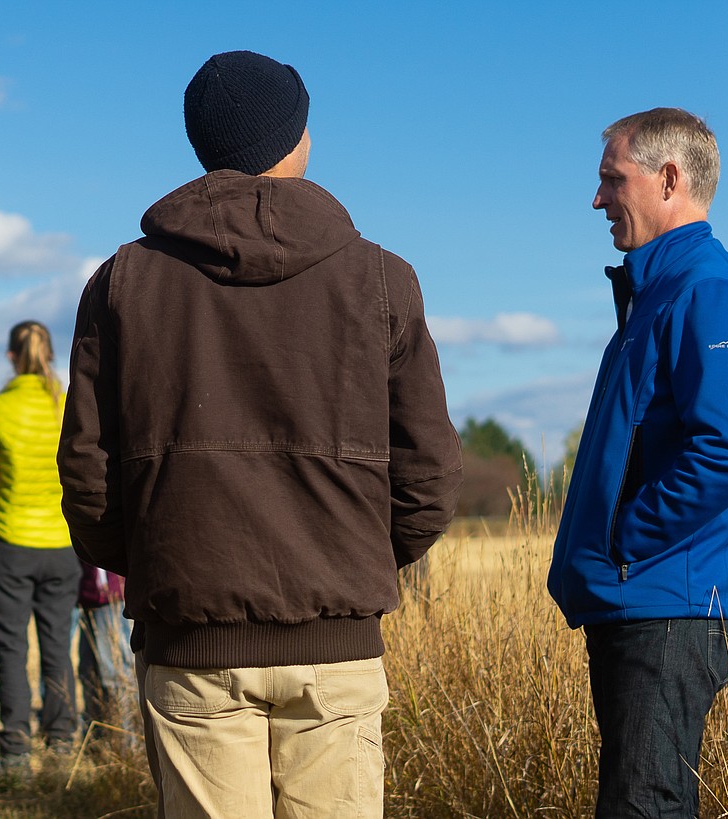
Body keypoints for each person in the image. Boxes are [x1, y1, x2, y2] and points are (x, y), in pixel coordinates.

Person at [57, 50, 463, 818]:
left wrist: (160, 563)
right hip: (335, 641)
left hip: (190, 636)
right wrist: (356, 557)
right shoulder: (383, 278)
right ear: (296, 137)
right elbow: (431, 473)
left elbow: (87, 472)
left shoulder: (121, 282)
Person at [548, 108, 728, 818]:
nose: (597, 200)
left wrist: (626, 542)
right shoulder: (658, 296)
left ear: (669, 178)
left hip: (669, 600)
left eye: (612, 179)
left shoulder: (708, 290)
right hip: (643, 597)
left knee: (644, 805)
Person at [0, 320, 80, 772]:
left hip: (10, 542)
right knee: (57, 647)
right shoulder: (68, 406)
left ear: (11, 356)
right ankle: (63, 739)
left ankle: (15, 751)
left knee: (11, 651)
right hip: (63, 544)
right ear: (49, 355)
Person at [76, 562, 132, 730]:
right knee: (88, 672)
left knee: (116, 675)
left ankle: (126, 739)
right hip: (86, 594)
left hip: (110, 595)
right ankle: (96, 739)